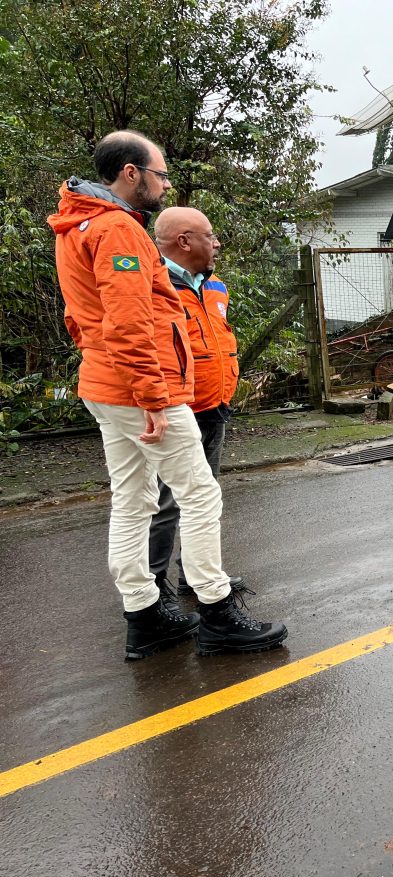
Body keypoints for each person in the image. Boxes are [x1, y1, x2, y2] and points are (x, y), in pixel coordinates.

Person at [48, 130, 287, 659]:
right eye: (160, 174)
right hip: (139, 390)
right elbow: (130, 321)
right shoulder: (117, 231)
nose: (164, 183)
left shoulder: (75, 226)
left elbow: (79, 317)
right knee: (199, 494)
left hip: (106, 385)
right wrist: (153, 396)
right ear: (130, 173)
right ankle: (217, 612)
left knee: (132, 500)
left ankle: (145, 613)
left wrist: (109, 369)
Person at [148, 207, 244, 600]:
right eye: (210, 235)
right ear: (184, 241)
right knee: (164, 503)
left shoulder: (215, 285)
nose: (217, 243)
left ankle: (197, 574)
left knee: (205, 496)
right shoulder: (154, 284)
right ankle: (152, 588)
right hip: (174, 409)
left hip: (214, 406)